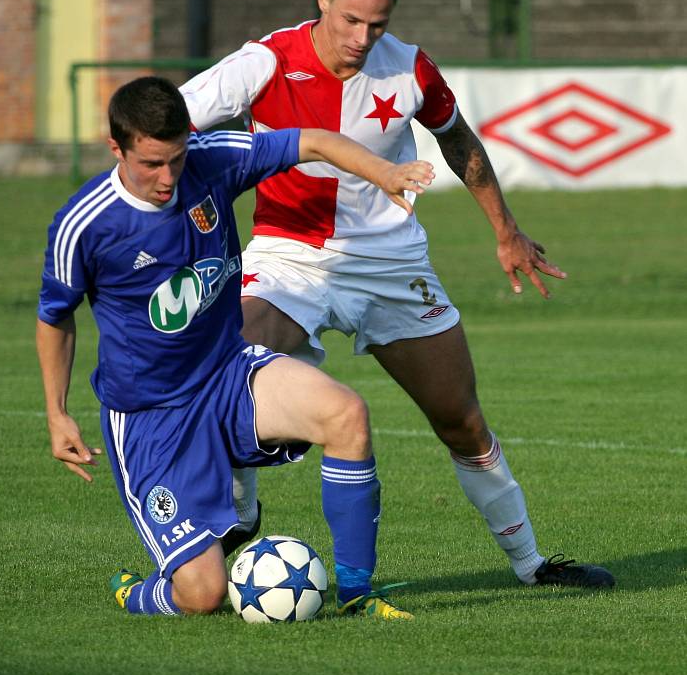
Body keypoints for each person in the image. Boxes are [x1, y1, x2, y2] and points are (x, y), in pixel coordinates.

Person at [180, 0, 614, 588]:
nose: (362, 38)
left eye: (377, 24)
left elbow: (457, 138)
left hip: (391, 261)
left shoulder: (410, 69)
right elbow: (170, 126)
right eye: (350, 20)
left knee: (461, 420)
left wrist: (507, 232)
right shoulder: (264, 61)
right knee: (228, 364)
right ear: (324, 1)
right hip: (289, 255)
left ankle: (530, 565)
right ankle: (240, 512)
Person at [36, 75, 437, 619]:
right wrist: (57, 413)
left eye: (175, 158)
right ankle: (138, 591)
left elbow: (314, 140)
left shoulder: (212, 159)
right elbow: (55, 317)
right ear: (117, 147)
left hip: (228, 370)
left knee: (345, 415)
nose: (167, 176)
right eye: (151, 163)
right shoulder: (84, 224)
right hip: (152, 416)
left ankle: (358, 592)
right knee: (201, 596)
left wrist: (386, 172)